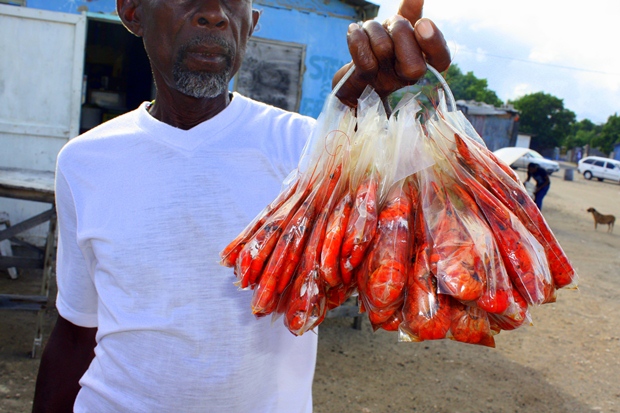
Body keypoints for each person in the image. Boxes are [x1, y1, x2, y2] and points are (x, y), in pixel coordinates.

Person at [32, 0, 450, 411]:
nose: (213, 12)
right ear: (132, 11)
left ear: (251, 21)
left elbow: (416, 252)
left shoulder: (312, 151)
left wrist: (400, 121)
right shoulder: (84, 162)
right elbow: (75, 329)